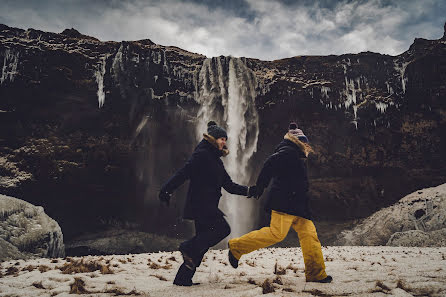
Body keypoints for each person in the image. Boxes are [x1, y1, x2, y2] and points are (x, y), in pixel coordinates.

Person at [227, 122, 332, 283]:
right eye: (304, 142)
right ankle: (236, 247)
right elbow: (269, 164)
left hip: (298, 205)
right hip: (284, 202)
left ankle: (316, 273)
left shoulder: (295, 153)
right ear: (297, 141)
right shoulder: (288, 151)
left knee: (310, 236)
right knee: (276, 234)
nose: (307, 145)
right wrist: (260, 187)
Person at [159, 121, 255, 286]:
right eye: (221, 138)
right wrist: (166, 189)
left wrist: (249, 191)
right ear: (213, 138)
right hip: (201, 204)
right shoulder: (202, 154)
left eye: (225, 139)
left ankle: (183, 278)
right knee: (223, 229)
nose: (224, 142)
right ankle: (187, 246)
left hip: (206, 205)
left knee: (201, 244)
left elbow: (229, 186)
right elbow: (183, 173)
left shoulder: (215, 159)